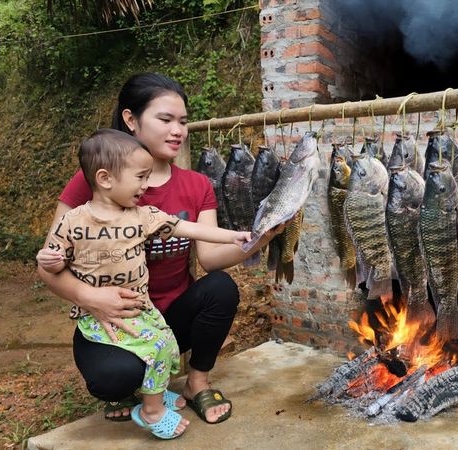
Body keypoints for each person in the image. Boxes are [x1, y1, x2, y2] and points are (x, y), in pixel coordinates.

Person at [36, 73, 281, 427]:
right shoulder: (95, 181)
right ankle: (132, 387)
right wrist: (91, 297)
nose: (178, 130)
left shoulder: (196, 184)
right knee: (114, 378)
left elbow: (210, 257)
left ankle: (197, 383)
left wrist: (259, 238)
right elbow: (49, 265)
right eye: (165, 119)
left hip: (166, 319)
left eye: (182, 121)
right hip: (110, 318)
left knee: (221, 288)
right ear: (131, 119)